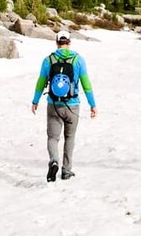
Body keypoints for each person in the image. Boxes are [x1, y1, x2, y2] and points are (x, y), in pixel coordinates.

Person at [31, 29, 98, 182]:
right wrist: (92, 104)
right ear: (69, 43)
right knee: (70, 137)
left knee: (53, 138)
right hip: (72, 105)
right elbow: (86, 84)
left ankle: (54, 160)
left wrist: (35, 101)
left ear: (56, 42)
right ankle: (66, 170)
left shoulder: (48, 60)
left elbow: (41, 83)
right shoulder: (79, 60)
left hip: (53, 104)